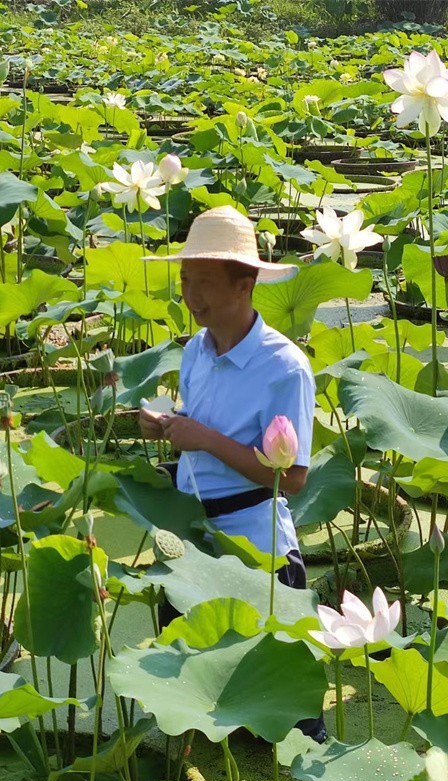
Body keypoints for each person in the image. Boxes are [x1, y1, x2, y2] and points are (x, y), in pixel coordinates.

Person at [138, 204, 327, 743]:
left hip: (255, 545)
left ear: (245, 285)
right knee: (194, 699)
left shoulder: (284, 367)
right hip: (189, 539)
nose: (190, 297)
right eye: (184, 281)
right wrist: (169, 429)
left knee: (289, 724)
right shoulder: (196, 351)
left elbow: (292, 479)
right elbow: (196, 437)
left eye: (203, 283)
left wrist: (205, 440)